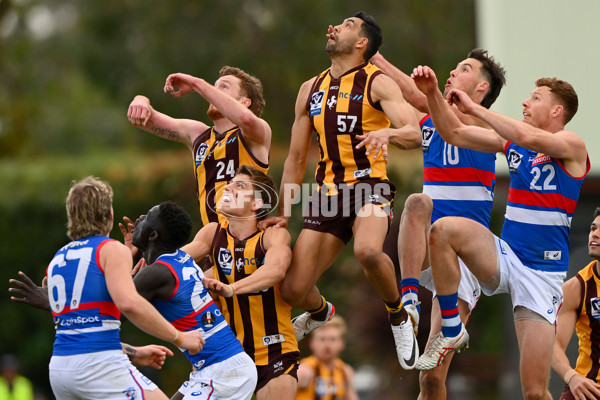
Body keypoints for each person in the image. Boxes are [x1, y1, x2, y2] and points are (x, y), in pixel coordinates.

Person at [411, 67, 589, 400]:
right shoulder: (516, 144)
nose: (525, 102)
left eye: (535, 98)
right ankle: (451, 324)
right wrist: (434, 93)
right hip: (507, 257)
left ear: (557, 111)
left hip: (541, 275)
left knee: (535, 393)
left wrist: (475, 108)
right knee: (443, 230)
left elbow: (532, 138)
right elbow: (453, 133)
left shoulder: (570, 144)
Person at [260, 11, 422, 370]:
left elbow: (416, 132)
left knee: (367, 251)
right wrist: (285, 210)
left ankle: (398, 314)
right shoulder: (310, 89)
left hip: (369, 187)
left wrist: (388, 134)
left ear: (362, 42)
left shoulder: (377, 83)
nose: (334, 28)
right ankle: (320, 312)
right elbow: (296, 157)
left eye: (347, 25)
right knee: (293, 290)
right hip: (327, 196)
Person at [10, 200, 258, 399]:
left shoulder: (157, 273)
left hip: (225, 371)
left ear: (152, 236)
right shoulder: (176, 260)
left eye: (146, 217)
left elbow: (107, 310)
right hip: (219, 368)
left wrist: (53, 303)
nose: (138, 219)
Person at [370, 50, 506, 398]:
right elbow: (410, 105)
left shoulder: (485, 123)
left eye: (463, 69)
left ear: (481, 87)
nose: (451, 72)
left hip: (466, 258)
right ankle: (410, 299)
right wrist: (387, 133)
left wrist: (380, 59)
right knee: (417, 202)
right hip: (433, 248)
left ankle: (444, 321)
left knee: (431, 380)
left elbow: (423, 100)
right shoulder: (430, 120)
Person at [183, 165, 299, 400]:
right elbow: (174, 264)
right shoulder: (213, 233)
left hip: (275, 351)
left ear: (257, 204)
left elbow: (276, 269)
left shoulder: (273, 235)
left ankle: (318, 311)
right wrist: (139, 253)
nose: (228, 187)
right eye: (230, 182)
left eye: (240, 185)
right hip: (227, 357)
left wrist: (231, 288)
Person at [127, 66, 271, 226]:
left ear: (244, 102)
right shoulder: (198, 134)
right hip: (212, 244)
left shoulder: (256, 133)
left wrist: (196, 84)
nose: (213, 92)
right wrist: (140, 100)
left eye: (223, 87)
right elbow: (145, 119)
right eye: (213, 87)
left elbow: (246, 119)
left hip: (248, 242)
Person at [552, 207, 600, 400]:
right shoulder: (577, 287)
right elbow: (553, 343)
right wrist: (571, 377)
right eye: (593, 228)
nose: (595, 234)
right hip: (588, 391)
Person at [296, 316, 359, 400]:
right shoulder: (304, 371)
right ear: (312, 344)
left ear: (342, 344)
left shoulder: (345, 371)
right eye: (322, 339)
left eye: (333, 339)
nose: (327, 345)